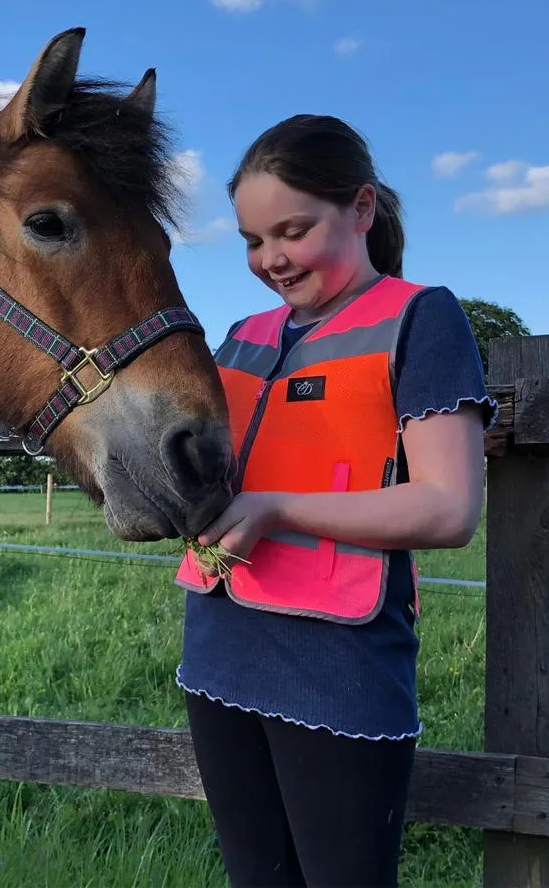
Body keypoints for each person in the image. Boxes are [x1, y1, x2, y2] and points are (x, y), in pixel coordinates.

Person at [174, 114, 497, 888]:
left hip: (340, 666)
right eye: (253, 240)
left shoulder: (419, 318)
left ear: (360, 209)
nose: (270, 259)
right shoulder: (240, 333)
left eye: (292, 230)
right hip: (219, 645)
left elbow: (450, 508)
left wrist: (277, 509)